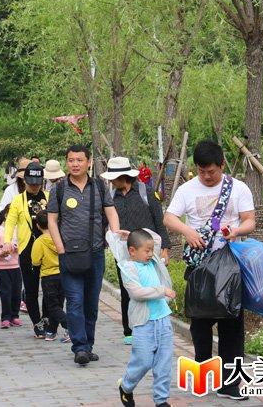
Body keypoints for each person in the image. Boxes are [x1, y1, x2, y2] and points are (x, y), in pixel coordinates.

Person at [164, 140, 255, 401]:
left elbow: (250, 219)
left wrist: (236, 230)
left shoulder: (238, 188)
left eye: (211, 171)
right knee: (200, 324)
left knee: (232, 324)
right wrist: (188, 231)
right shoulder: (186, 190)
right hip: (199, 267)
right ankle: (204, 375)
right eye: (202, 171)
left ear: (222, 165)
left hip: (229, 267)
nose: (206, 176)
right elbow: (169, 217)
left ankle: (230, 384)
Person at [47, 145, 120, 366]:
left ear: (89, 162)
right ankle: (79, 347)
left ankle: (88, 346)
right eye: (71, 160)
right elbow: (52, 220)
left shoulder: (99, 186)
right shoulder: (59, 189)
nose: (75, 164)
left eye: (79, 160)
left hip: (95, 253)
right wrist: (60, 248)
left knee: (91, 304)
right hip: (69, 254)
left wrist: (116, 237)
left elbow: (111, 212)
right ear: (66, 163)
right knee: (75, 302)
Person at [101, 156, 171, 345]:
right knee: (128, 290)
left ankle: (155, 323)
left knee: (151, 284)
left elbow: (160, 221)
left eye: (113, 178)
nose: (110, 181)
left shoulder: (146, 193)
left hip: (149, 250)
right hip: (124, 252)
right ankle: (130, 329)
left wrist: (165, 248)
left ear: (123, 176)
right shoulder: (109, 197)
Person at [110, 229, 175, 407]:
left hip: (163, 320)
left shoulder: (153, 262)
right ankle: (126, 386)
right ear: (132, 251)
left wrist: (131, 232)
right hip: (143, 323)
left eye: (151, 250)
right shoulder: (128, 267)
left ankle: (161, 400)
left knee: (164, 364)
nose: (150, 254)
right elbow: (137, 293)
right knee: (144, 360)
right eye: (146, 251)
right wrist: (162, 291)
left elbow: (156, 239)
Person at [3, 161, 49, 338]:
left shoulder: (49, 196)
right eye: (31, 183)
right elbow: (10, 223)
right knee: (31, 289)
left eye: (38, 183)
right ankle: (37, 322)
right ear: (25, 182)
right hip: (27, 250)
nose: (35, 187)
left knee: (50, 287)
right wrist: (7, 241)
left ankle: (47, 319)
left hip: (48, 249)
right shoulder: (17, 200)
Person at [31, 211, 69, 342]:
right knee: (58, 304)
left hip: (48, 277)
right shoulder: (61, 237)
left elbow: (35, 261)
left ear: (38, 226)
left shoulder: (39, 242)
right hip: (63, 274)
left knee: (52, 306)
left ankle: (70, 326)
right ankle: (51, 331)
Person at [0, 206, 21, 328]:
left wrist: (15, 247)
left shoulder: (17, 230)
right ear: (6, 215)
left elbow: (21, 245)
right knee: (5, 293)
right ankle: (5, 317)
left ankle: (15, 315)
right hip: (2, 267)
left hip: (16, 266)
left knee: (16, 293)